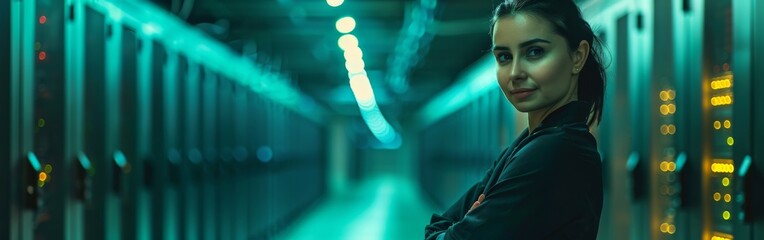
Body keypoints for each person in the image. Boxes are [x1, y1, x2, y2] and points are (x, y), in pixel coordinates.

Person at [424, 0, 606, 239]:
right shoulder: (525, 145)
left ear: (577, 57)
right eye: (504, 57)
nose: (515, 73)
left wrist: (464, 223)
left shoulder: (554, 150)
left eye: (535, 52)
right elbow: (436, 227)